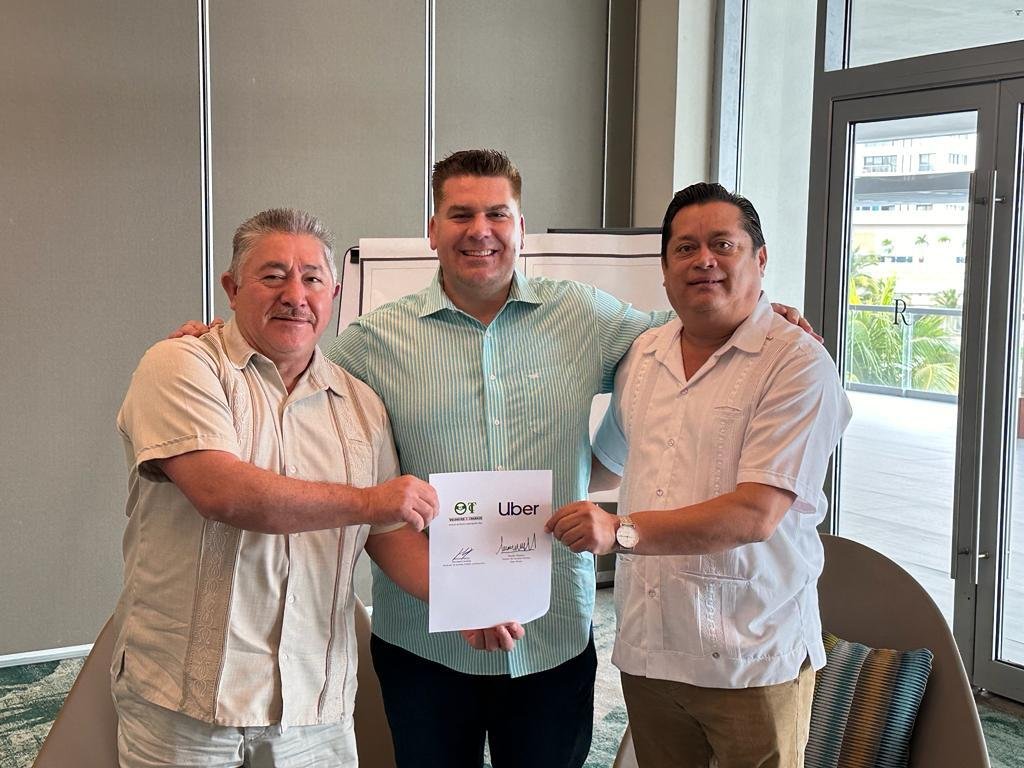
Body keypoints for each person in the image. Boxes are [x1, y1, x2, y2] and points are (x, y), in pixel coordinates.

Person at [171, 152, 814, 767]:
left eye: (497, 214)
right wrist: (215, 342)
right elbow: (292, 371)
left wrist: (765, 312)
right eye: (460, 214)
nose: (480, 230)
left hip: (551, 633)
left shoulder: (585, 316)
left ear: (520, 228)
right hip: (425, 637)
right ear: (433, 230)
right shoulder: (372, 341)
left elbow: (693, 323)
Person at [113, 208, 520, 768]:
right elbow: (221, 492)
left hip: (315, 704)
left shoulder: (361, 405)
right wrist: (369, 500)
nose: (295, 296)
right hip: (188, 702)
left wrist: (463, 601)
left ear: (334, 293)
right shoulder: (182, 366)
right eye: (273, 276)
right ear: (232, 288)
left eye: (312, 279)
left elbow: (387, 534)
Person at [547, 182, 852, 768]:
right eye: (685, 248)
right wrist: (495, 501)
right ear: (665, 271)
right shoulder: (645, 355)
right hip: (650, 649)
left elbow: (756, 513)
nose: (703, 260)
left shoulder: (796, 363)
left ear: (760, 259)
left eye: (722, 244)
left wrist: (620, 531)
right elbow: (603, 466)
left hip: (750, 658)